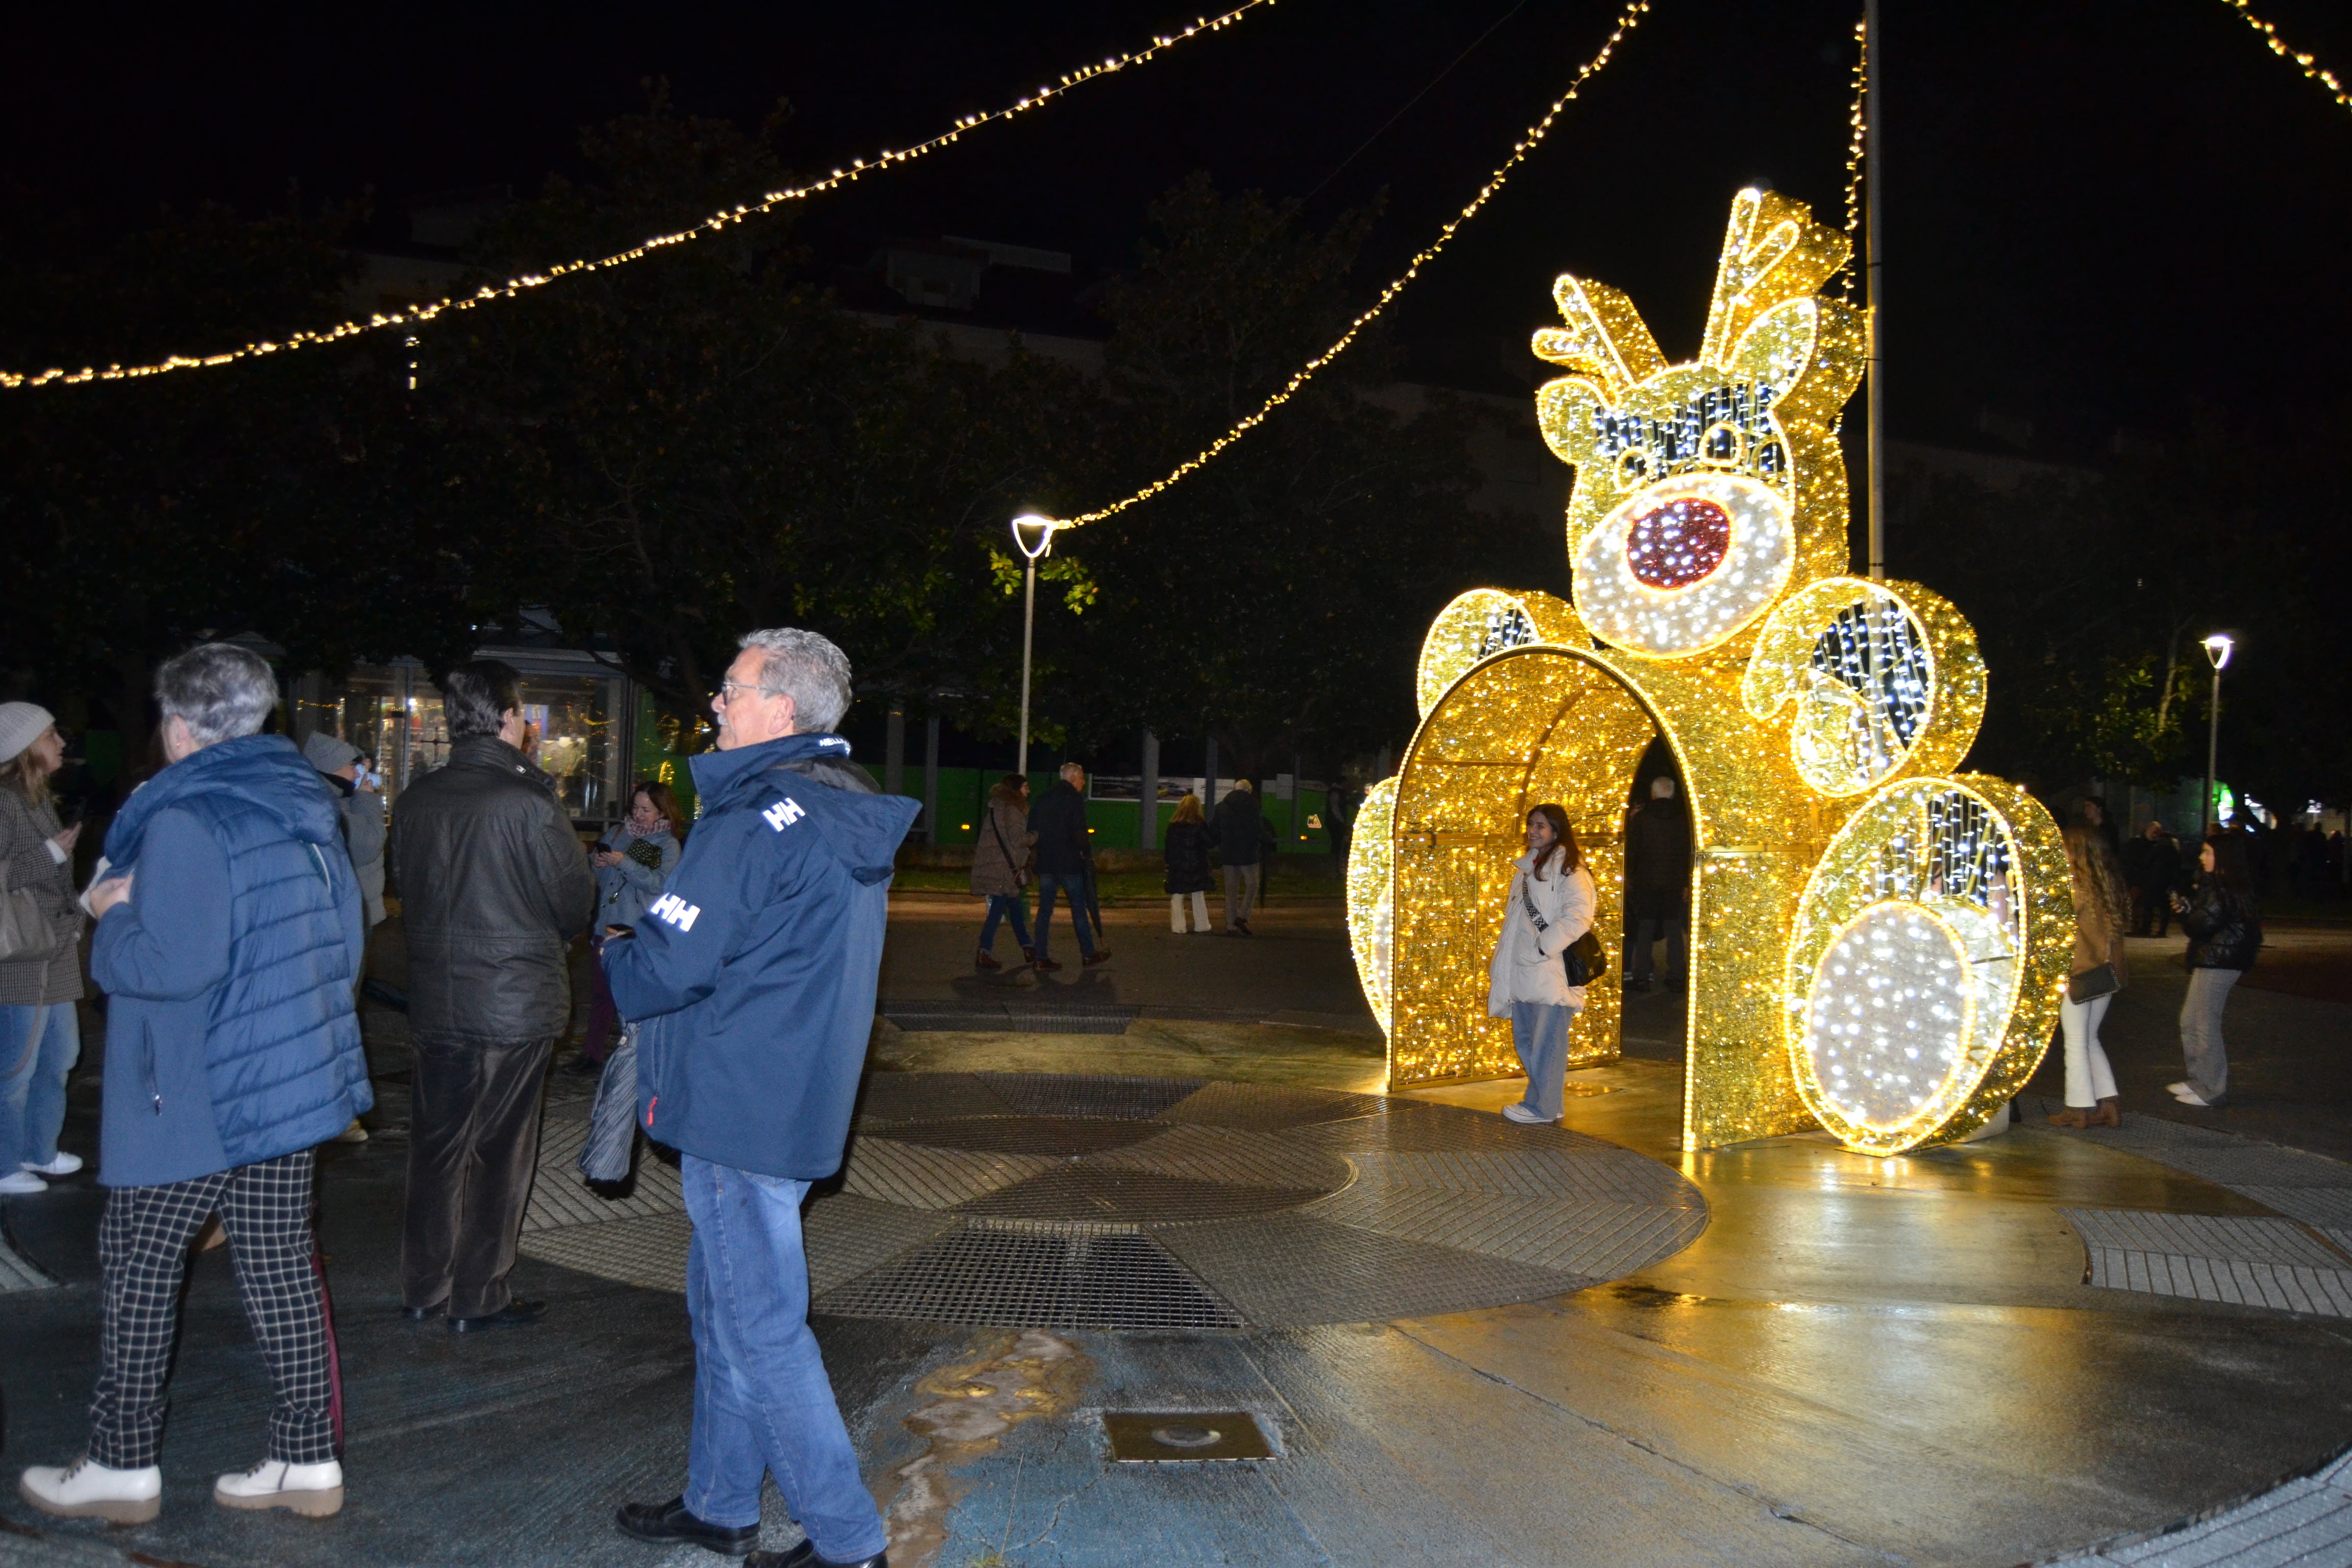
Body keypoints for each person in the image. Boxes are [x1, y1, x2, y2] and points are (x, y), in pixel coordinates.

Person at [17, 644, 370, 1524]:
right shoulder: (302, 807)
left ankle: (120, 1463)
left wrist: (111, 914)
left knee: (140, 1263)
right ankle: (305, 1458)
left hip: (198, 1086)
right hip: (286, 1081)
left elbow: (168, 965)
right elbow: (347, 942)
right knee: (278, 1264)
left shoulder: (185, 819)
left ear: (177, 728)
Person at [605, 627, 911, 1568]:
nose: (718, 707)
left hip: (739, 1104)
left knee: (761, 1325)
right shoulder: (837, 808)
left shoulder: (748, 819)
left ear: (781, 709)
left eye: (731, 691)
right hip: (794, 1096)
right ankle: (721, 1501)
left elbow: (671, 961)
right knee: (723, 1308)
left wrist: (618, 949)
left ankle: (848, 1537)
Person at [388, 659, 595, 1332]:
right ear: (510, 718)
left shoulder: (418, 799)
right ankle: (480, 1295)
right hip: (513, 1000)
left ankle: (424, 1287)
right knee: (500, 1150)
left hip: (437, 996)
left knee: (437, 1144)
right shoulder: (528, 802)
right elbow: (574, 903)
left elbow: (405, 886)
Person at [0, 703, 87, 1195]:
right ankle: (5, 1160)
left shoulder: (37, 799)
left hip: (50, 949)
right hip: (19, 957)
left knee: (60, 1055)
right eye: (51, 734)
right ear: (25, 748)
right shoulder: (5, 801)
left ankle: (38, 1148)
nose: (61, 743)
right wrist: (51, 853)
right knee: (16, 1065)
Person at [1488, 804, 1596, 1125]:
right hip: (1524, 970)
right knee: (1526, 1040)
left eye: (1541, 826)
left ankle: (1542, 1107)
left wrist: (1541, 950)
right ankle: (1548, 1101)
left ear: (1556, 831)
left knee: (1546, 1045)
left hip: (1549, 971)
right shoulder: (1527, 868)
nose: (1534, 831)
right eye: (1531, 825)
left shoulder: (1571, 870)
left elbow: (1578, 916)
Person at [571, 782, 687, 1071]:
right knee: (602, 995)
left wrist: (625, 863)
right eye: (635, 807)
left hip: (638, 930)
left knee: (632, 997)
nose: (639, 814)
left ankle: (638, 1057)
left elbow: (660, 884)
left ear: (663, 810)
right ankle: (592, 1055)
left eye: (646, 809)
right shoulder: (619, 832)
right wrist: (597, 862)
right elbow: (597, 876)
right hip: (607, 926)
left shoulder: (668, 844)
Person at [2169, 832, 2262, 1109]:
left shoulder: (2223, 890)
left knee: (2204, 1024)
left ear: (2223, 858)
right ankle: (2199, 1080)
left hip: (2219, 962)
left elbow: (2199, 926)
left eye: (2208, 852)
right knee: (2190, 1021)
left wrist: (2183, 913)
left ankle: (2211, 1088)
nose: (2202, 857)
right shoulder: (2222, 886)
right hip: (2214, 959)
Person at [2048, 824, 2130, 1130]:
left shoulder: (2074, 890)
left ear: (2077, 852)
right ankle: (2109, 1104)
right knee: (2090, 1038)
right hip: (2106, 975)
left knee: (2075, 1042)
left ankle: (2078, 1107)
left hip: (2080, 974)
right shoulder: (2108, 887)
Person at [301, 732, 387, 929]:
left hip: (352, 910)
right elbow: (368, 843)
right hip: (350, 915)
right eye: (352, 767)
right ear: (331, 767)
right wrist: (365, 798)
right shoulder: (329, 806)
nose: (357, 774)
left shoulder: (336, 798)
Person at [1029, 760, 1109, 971]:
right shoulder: (1074, 800)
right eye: (1082, 778)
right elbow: (1079, 832)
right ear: (1073, 778)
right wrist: (1087, 853)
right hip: (1069, 863)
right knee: (1079, 909)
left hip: (1047, 863)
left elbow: (1033, 829)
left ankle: (1040, 956)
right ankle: (1088, 954)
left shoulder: (1043, 798)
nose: (1083, 783)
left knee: (1045, 911)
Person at [1622, 775, 1690, 993]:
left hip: (1647, 882)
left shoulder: (1642, 819)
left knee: (1645, 930)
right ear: (1672, 793)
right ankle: (1677, 976)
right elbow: (1685, 853)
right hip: (1673, 883)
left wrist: (1630, 878)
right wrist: (1685, 881)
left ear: (1653, 794)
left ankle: (1641, 977)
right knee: (1674, 930)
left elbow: (1633, 851)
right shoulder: (1682, 819)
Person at [968, 773, 1036, 969]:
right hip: (1004, 869)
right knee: (998, 910)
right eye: (1025, 787)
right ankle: (984, 952)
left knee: (1015, 908)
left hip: (998, 865)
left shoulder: (998, 807)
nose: (1028, 790)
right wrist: (1035, 836)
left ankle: (1028, 947)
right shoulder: (1013, 810)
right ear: (1016, 790)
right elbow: (1018, 840)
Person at [1212, 776, 1266, 936]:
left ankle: (1231, 925)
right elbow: (1258, 829)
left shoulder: (1221, 807)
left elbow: (1215, 830)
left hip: (1228, 854)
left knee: (1231, 891)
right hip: (1248, 854)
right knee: (1253, 884)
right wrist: (1266, 839)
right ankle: (1243, 916)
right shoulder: (1253, 806)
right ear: (1248, 791)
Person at [1163, 792, 1214, 934]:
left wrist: (1168, 864)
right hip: (1197, 865)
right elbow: (1210, 842)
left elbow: (1169, 847)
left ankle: (1179, 927)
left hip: (1178, 866)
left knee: (1177, 896)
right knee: (1198, 895)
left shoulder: (1173, 826)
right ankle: (1202, 925)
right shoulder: (1200, 825)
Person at [2122, 820, 2175, 938]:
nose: (2155, 835)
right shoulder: (2142, 844)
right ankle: (2145, 928)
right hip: (2146, 880)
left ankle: (2144, 928)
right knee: (2145, 905)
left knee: (2146, 905)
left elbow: (2144, 862)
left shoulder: (2157, 847)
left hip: (2151, 880)